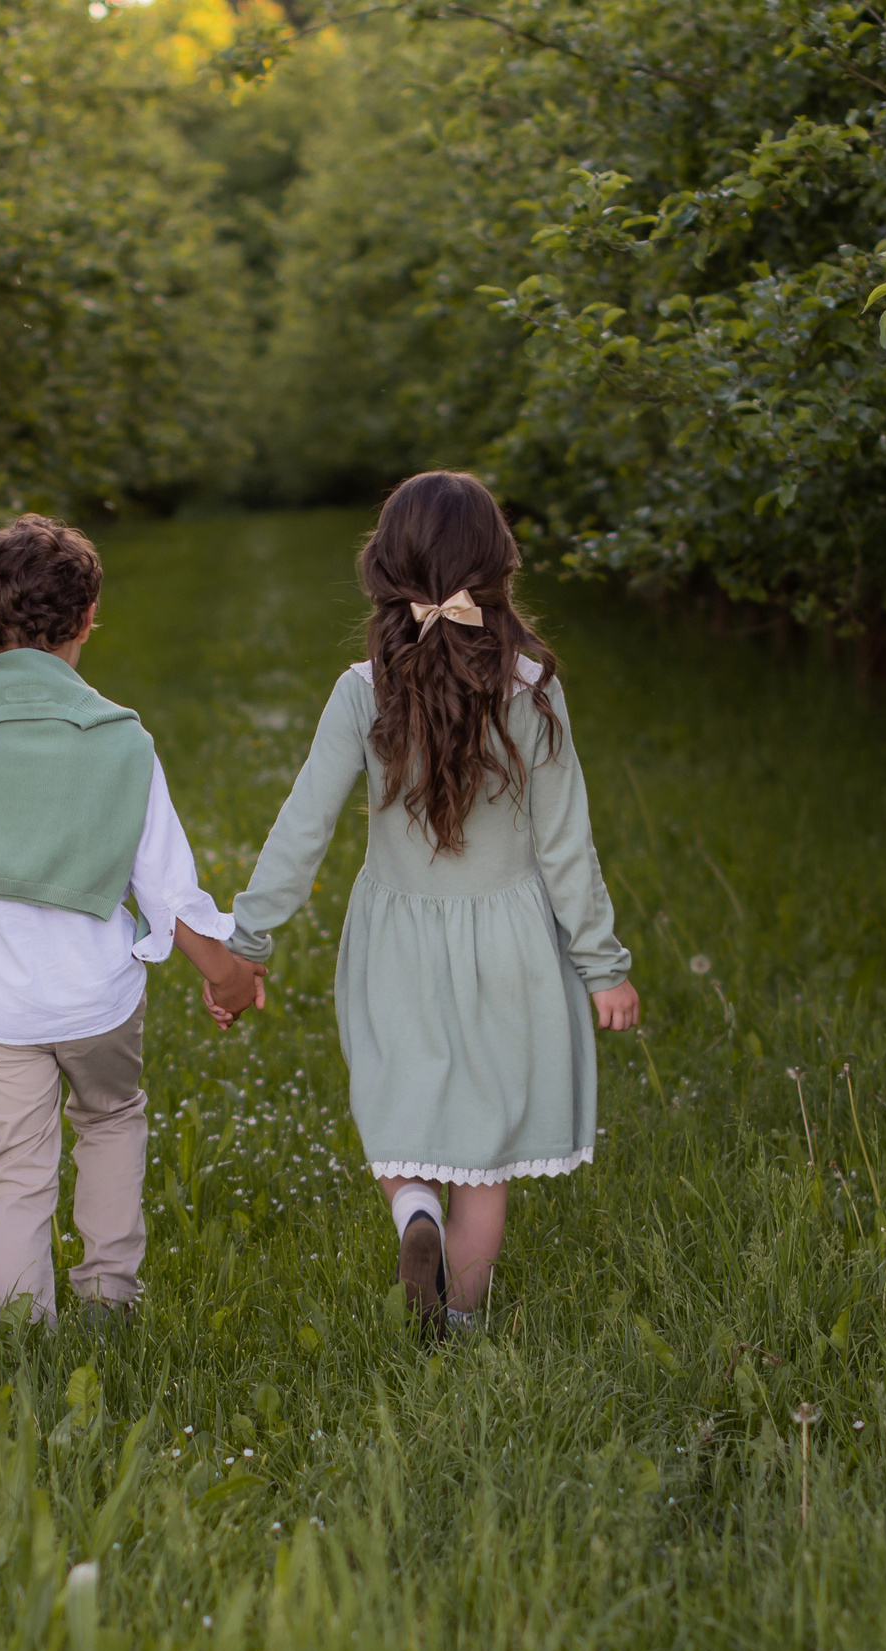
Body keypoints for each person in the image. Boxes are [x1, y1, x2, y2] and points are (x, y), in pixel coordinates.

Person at [224, 471, 639, 1338]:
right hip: (513, 945)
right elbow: (567, 845)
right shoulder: (530, 687)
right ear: (497, 565)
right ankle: (457, 1323)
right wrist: (602, 965)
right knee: (483, 1165)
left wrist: (248, 938)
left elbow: (302, 827)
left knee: (397, 1115)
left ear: (385, 566)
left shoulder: (359, 690)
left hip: (396, 941)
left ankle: (412, 1204)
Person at [0, 513, 265, 1329]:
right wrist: (227, 974)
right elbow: (168, 889)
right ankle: (109, 1294)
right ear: (86, 623)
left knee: (16, 1171)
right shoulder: (122, 742)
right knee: (111, 1119)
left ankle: (18, 1331)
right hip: (99, 999)